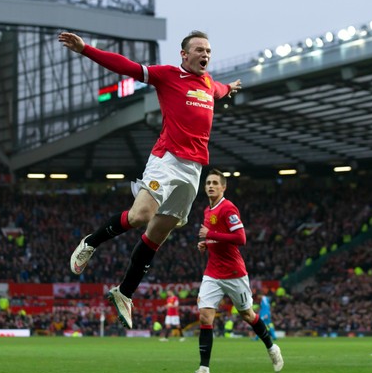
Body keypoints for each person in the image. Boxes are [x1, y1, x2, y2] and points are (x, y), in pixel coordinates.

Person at [60, 31, 241, 329]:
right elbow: (127, 67)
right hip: (167, 159)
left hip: (193, 170)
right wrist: (86, 50)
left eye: (208, 50)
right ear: (184, 54)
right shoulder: (168, 76)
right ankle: (91, 242)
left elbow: (220, 89)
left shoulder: (210, 85)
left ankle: (124, 293)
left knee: (158, 234)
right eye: (199, 49)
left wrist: (229, 87)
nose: (205, 54)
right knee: (140, 215)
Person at [187, 169, 283, 373]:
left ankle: (271, 347)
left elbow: (240, 238)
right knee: (205, 316)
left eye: (215, 183)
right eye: (208, 183)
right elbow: (216, 238)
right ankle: (204, 371)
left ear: (223, 187)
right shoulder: (206, 210)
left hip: (233, 273)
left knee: (248, 315)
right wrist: (206, 244)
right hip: (212, 272)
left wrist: (209, 235)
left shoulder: (228, 208)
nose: (210, 186)